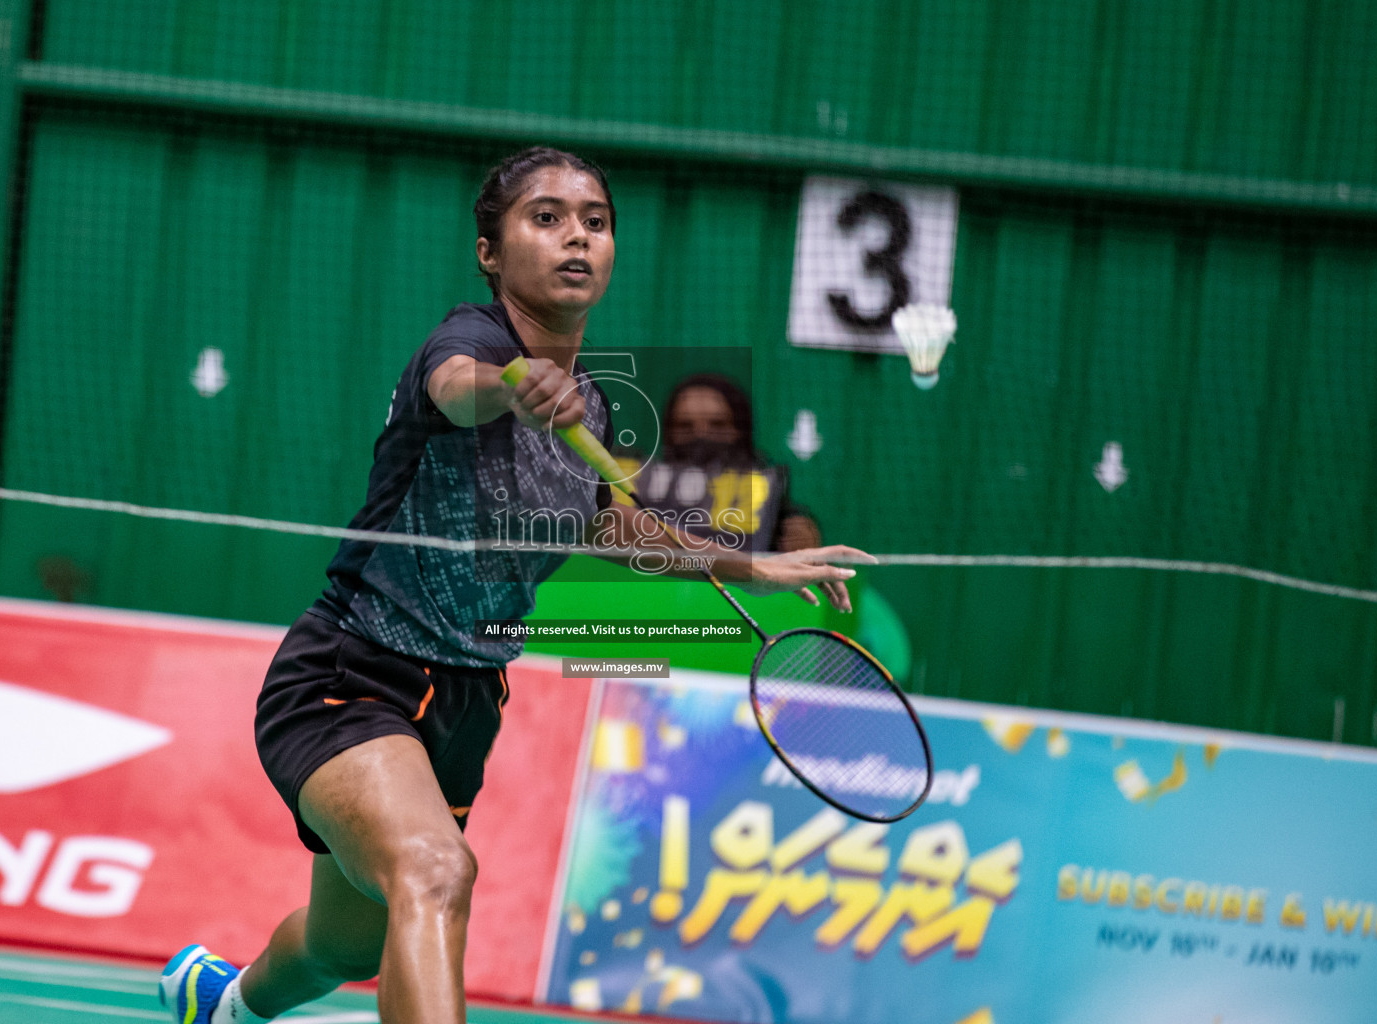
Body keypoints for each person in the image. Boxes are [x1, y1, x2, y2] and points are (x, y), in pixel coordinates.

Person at [158, 147, 869, 1024]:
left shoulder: (594, 409)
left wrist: (748, 564)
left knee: (347, 944)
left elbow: (606, 522)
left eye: (595, 222)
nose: (577, 236)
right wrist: (513, 385)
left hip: (463, 704)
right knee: (436, 871)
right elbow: (458, 391)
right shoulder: (471, 344)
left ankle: (219, 1003)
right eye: (547, 217)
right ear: (491, 252)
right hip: (353, 673)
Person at [640, 373, 823, 552]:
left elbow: (789, 526)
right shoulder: (639, 489)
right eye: (685, 426)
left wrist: (798, 531)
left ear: (738, 430)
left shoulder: (767, 499)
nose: (701, 436)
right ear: (669, 432)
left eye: (717, 425)